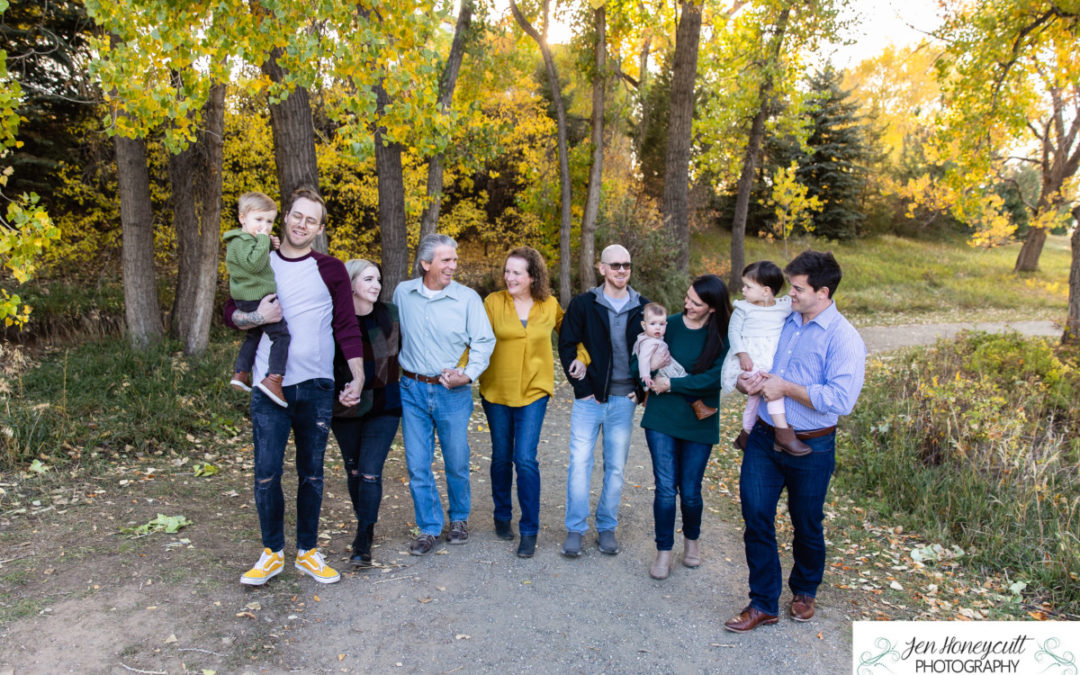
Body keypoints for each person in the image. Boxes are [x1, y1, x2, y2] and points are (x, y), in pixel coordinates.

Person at [226, 187, 365, 586]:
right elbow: (229, 311)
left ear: (320, 229)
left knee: (312, 474)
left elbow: (346, 326)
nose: (302, 224)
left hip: (317, 387)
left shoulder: (331, 268)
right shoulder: (259, 258)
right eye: (297, 216)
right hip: (270, 390)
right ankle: (272, 552)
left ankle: (307, 552)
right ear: (285, 217)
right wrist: (257, 316)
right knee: (266, 473)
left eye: (312, 220)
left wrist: (355, 374)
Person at [723, 250, 866, 633]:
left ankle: (804, 589)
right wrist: (744, 381)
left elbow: (841, 400)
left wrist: (786, 387)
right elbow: (756, 358)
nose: (791, 294)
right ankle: (763, 603)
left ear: (823, 292)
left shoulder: (844, 338)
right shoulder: (784, 319)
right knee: (756, 517)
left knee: (806, 522)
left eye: (798, 288)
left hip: (813, 446)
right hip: (765, 438)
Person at [393, 234, 495, 556]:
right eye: (445, 260)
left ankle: (460, 519)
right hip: (411, 389)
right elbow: (392, 335)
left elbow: (484, 341)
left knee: (456, 460)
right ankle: (429, 527)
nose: (453, 265)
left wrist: (467, 373)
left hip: (452, 392)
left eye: (454, 259)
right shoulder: (403, 294)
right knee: (417, 464)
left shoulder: (467, 299)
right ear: (425, 264)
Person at [478, 247, 583, 558]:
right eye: (507, 271)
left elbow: (572, 336)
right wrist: (460, 370)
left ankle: (529, 530)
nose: (509, 277)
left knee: (525, 458)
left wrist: (584, 358)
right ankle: (501, 515)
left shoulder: (549, 305)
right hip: (496, 390)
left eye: (516, 273)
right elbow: (477, 339)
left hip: (534, 392)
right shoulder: (493, 302)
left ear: (533, 277)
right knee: (501, 457)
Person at [557, 244, 648, 558]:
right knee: (579, 464)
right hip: (589, 400)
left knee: (616, 468)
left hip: (624, 400)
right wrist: (582, 388)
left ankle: (607, 525)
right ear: (602, 268)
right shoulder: (584, 304)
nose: (622, 270)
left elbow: (654, 353)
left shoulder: (644, 307)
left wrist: (643, 390)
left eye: (626, 265)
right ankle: (575, 529)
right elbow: (567, 345)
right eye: (615, 265)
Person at [637, 276, 731, 580]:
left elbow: (715, 378)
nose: (687, 304)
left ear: (713, 309)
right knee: (665, 488)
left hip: (699, 421)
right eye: (688, 297)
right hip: (662, 417)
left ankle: (692, 542)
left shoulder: (722, 335)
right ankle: (663, 551)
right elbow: (637, 357)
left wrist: (673, 384)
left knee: (690, 491)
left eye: (696, 302)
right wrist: (649, 371)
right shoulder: (669, 324)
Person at [330, 259, 401, 568]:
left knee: (370, 472)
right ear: (351, 284)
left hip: (385, 406)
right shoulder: (334, 320)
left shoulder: (391, 315)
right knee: (355, 472)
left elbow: (399, 357)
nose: (376, 285)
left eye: (378, 279)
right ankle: (365, 521)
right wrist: (340, 392)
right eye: (369, 279)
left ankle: (363, 535)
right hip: (344, 407)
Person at [719, 261, 807, 455]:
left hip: (770, 359)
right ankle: (783, 434)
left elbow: (802, 311)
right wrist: (742, 354)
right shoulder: (743, 309)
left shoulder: (783, 307)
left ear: (766, 291)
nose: (743, 290)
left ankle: (746, 434)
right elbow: (733, 333)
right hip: (751, 358)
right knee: (768, 391)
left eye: (748, 287)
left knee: (755, 400)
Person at [224, 191, 290, 407]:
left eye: (269, 221)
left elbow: (255, 258)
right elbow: (254, 264)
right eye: (259, 220)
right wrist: (264, 240)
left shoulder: (248, 240)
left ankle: (241, 373)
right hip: (256, 298)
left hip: (252, 296)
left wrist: (270, 244)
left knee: (253, 336)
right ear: (243, 218)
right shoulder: (238, 242)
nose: (265, 226)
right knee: (281, 336)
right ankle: (274, 379)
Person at [632, 301, 717, 419]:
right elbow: (643, 360)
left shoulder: (652, 337)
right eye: (653, 324)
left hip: (664, 365)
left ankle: (647, 397)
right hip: (664, 367)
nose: (658, 327)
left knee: (680, 378)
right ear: (644, 325)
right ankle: (699, 406)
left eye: (661, 324)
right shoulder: (648, 343)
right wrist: (647, 374)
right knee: (683, 379)